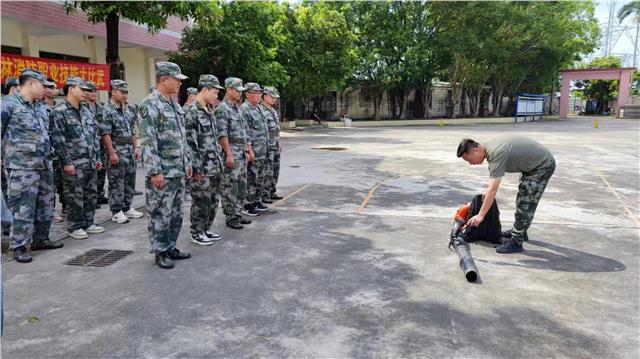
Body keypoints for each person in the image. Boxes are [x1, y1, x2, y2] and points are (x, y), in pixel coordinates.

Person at [1, 69, 63, 263]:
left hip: (44, 163)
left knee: (46, 203)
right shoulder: (7, 104)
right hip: (21, 166)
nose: (45, 89)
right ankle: (19, 245)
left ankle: (41, 239)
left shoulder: (40, 106)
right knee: (22, 206)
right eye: (42, 85)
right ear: (30, 83)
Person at [457, 136, 556, 253]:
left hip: (542, 166)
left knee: (525, 203)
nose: (470, 164)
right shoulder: (490, 148)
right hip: (534, 165)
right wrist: (488, 192)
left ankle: (516, 241)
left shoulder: (495, 154)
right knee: (523, 200)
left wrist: (481, 215)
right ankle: (520, 232)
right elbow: (492, 186)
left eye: (469, 160)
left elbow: (493, 189)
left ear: (476, 151)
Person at [137, 62, 193, 269]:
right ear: (163, 80)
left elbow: (181, 138)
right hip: (163, 172)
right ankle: (160, 251)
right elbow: (148, 141)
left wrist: (187, 162)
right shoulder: (149, 105)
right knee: (160, 212)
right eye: (176, 79)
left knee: (176, 213)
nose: (179, 83)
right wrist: (155, 171)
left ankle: (171, 246)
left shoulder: (173, 104)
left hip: (178, 169)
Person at [50, 76, 105, 239]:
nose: (85, 93)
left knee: (90, 193)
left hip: (90, 161)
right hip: (73, 162)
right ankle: (74, 225)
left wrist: (97, 156)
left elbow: (94, 135)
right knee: (74, 195)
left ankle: (88, 222)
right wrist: (66, 162)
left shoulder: (86, 110)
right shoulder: (59, 112)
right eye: (83, 89)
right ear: (71, 88)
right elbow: (58, 139)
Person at [184, 75, 225, 245]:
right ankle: (197, 231)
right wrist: (197, 168)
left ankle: (206, 228)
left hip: (214, 164)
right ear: (205, 89)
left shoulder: (209, 110)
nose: (216, 96)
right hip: (201, 167)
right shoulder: (192, 111)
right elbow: (190, 143)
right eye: (215, 92)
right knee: (201, 200)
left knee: (213, 200)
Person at [101, 80, 143, 224]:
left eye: (126, 92)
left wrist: (136, 147)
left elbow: (132, 131)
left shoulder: (128, 109)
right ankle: (116, 210)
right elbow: (106, 133)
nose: (125, 95)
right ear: (113, 92)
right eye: (122, 92)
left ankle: (127, 206)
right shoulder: (107, 110)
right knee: (116, 181)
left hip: (129, 149)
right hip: (116, 148)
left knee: (129, 179)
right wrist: (111, 152)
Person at [215, 77, 253, 230]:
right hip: (231, 152)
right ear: (229, 89)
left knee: (241, 185)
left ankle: (237, 213)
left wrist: (247, 150)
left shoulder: (237, 108)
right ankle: (230, 216)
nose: (239, 93)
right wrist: (229, 154)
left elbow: (244, 132)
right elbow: (222, 134)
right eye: (237, 90)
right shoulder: (223, 109)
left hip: (241, 152)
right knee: (230, 186)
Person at [241, 83, 269, 216]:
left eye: (260, 93)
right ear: (247, 94)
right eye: (256, 93)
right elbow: (245, 132)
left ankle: (256, 200)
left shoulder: (259, 108)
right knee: (251, 178)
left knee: (260, 178)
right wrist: (249, 150)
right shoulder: (245, 109)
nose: (259, 96)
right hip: (254, 151)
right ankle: (247, 203)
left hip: (263, 150)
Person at [40, 78, 65, 223]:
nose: (55, 90)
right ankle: (51, 211)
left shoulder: (59, 108)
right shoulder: (40, 108)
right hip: (48, 152)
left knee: (63, 182)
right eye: (51, 87)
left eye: (56, 87)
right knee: (51, 184)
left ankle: (66, 206)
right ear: (44, 89)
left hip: (60, 150)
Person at [84, 81, 109, 207]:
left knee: (101, 170)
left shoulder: (100, 108)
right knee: (90, 173)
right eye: (90, 91)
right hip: (88, 145)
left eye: (95, 91)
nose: (93, 93)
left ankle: (99, 194)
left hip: (100, 144)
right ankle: (90, 198)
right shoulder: (82, 107)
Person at [261, 86, 283, 202]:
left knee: (275, 169)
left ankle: (272, 191)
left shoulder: (273, 110)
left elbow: (276, 129)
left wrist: (278, 141)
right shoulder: (261, 110)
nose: (274, 99)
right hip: (267, 145)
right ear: (265, 96)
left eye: (275, 97)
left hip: (275, 144)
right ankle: (265, 194)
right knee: (267, 171)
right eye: (272, 97)